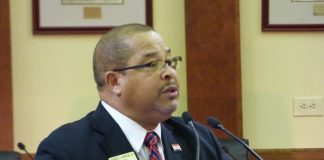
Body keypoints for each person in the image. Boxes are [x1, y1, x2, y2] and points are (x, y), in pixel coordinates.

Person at [35, 23, 231, 160]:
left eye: (170, 62)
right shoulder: (66, 149)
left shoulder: (196, 138)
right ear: (114, 82)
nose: (169, 73)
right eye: (153, 64)